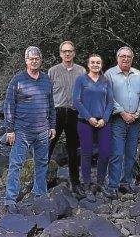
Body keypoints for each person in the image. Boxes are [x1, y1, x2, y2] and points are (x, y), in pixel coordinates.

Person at [4, 46, 57, 210]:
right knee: (16, 164)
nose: (34, 61)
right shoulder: (17, 80)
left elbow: (51, 105)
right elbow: (9, 105)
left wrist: (53, 126)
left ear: (40, 60)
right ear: (26, 61)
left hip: (42, 130)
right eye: (31, 59)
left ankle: (39, 194)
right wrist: (10, 130)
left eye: (37, 58)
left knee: (41, 163)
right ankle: (10, 200)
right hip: (21, 131)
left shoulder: (46, 79)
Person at [105, 46, 140, 198]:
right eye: (122, 56)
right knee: (117, 153)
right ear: (117, 58)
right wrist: (122, 112)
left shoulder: (139, 75)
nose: (126, 59)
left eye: (128, 56)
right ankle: (112, 186)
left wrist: (138, 113)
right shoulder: (109, 74)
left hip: (135, 120)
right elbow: (108, 97)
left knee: (131, 154)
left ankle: (126, 183)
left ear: (132, 58)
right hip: (117, 120)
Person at [47, 41, 86, 197]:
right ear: (60, 53)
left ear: (74, 53)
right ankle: (41, 181)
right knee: (48, 147)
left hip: (74, 113)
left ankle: (75, 183)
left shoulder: (81, 71)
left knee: (73, 150)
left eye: (70, 51)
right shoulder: (53, 71)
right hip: (56, 112)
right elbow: (47, 95)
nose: (67, 54)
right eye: (64, 51)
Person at [73, 54, 114, 196]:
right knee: (86, 153)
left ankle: (100, 182)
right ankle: (87, 183)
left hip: (103, 122)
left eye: (98, 62)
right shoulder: (81, 80)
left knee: (105, 153)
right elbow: (76, 101)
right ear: (88, 65)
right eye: (93, 62)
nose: (95, 65)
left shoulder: (105, 81)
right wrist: (88, 117)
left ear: (101, 65)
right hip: (85, 122)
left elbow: (110, 102)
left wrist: (105, 118)